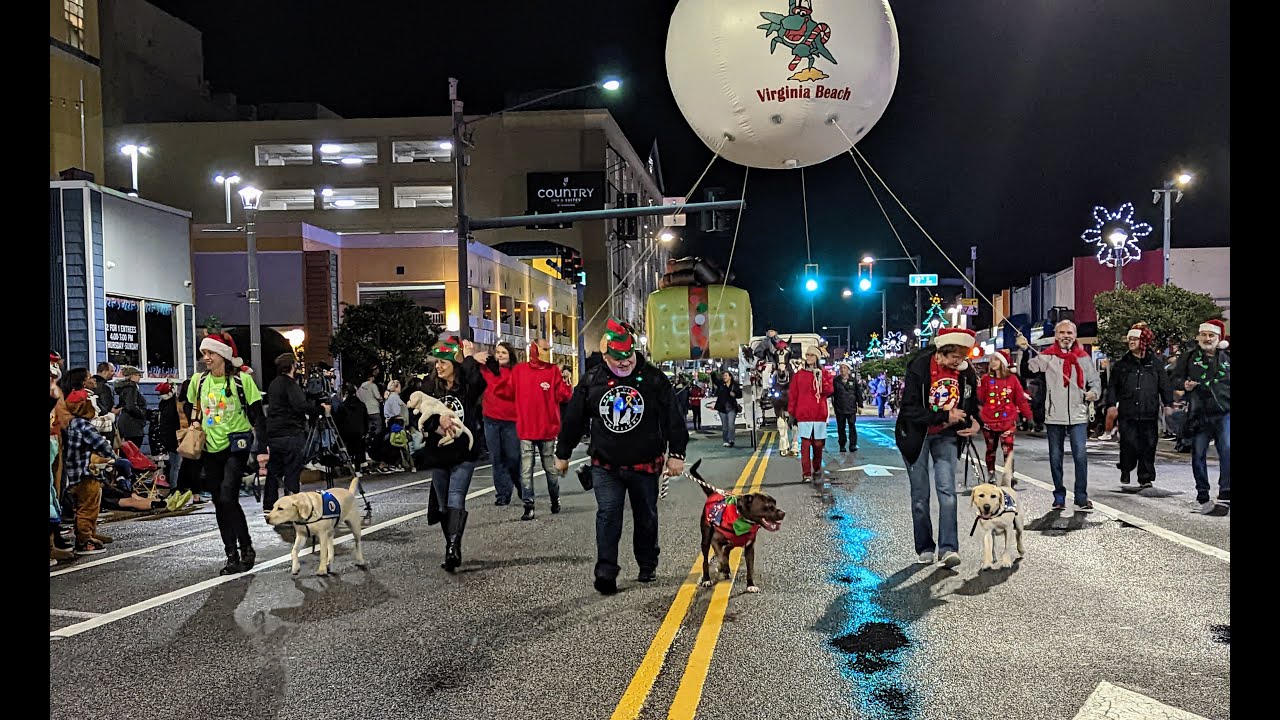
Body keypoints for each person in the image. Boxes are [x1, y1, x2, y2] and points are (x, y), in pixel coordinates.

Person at [555, 318, 688, 595]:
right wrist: (563, 453)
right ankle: (606, 571)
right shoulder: (592, 380)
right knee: (608, 515)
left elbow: (673, 417)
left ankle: (647, 563)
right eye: (618, 358)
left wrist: (676, 454)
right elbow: (574, 419)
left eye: (628, 356)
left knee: (646, 516)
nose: (625, 362)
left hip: (645, 462)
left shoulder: (653, 379)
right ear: (605, 356)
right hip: (606, 464)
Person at [896, 328, 981, 568]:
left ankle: (948, 548)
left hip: (947, 436)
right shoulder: (919, 367)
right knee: (920, 495)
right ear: (942, 353)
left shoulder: (966, 373)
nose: (959, 362)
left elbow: (974, 402)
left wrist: (976, 422)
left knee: (947, 492)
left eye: (962, 357)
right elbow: (909, 409)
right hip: (917, 436)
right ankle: (924, 547)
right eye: (955, 356)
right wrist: (944, 414)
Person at [188, 332, 264, 575]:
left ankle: (246, 547)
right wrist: (195, 424)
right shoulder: (199, 381)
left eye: (210, 353)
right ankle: (231, 553)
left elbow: (257, 416)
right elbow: (188, 405)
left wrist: (262, 449)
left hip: (236, 444)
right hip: (210, 447)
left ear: (223, 355)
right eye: (204, 354)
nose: (206, 358)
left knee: (227, 498)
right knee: (219, 501)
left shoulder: (242, 380)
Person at [413, 337, 488, 572]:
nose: (438, 366)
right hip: (438, 452)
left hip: (463, 451)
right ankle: (451, 543)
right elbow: (419, 417)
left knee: (456, 496)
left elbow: (478, 380)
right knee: (443, 505)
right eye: (437, 363)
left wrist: (467, 356)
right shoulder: (429, 387)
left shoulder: (467, 385)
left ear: (454, 363)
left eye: (443, 362)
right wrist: (439, 422)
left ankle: (453, 548)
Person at [1018, 320, 1101, 511]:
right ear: (1056, 335)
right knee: (1055, 457)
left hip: (1078, 415)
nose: (1066, 336)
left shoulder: (1084, 358)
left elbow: (1095, 381)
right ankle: (1059, 496)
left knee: (1080, 456)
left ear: (1075, 335)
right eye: (1062, 332)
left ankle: (1081, 496)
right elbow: (1025, 371)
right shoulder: (1047, 357)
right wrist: (1022, 350)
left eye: (1069, 333)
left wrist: (1093, 393)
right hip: (1054, 415)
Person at [495, 338, 573, 520]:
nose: (547, 352)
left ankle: (546, 501)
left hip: (543, 428)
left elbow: (564, 395)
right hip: (532, 428)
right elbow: (564, 396)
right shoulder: (524, 371)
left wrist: (565, 381)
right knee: (534, 470)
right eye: (544, 348)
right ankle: (534, 503)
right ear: (535, 349)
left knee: (540, 469)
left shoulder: (550, 370)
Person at [1170, 319, 1230, 514]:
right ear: (1199, 336)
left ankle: (1226, 492)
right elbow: (1175, 379)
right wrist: (1183, 385)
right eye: (1203, 334)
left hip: (1224, 412)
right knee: (1198, 454)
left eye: (1211, 335)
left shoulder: (1227, 358)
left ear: (1218, 338)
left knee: (1227, 450)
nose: (1207, 338)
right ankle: (1202, 494)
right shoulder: (1189, 357)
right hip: (1198, 413)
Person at [1106, 323, 1174, 490]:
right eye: (1130, 339)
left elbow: (1164, 385)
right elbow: (1113, 387)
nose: (1131, 342)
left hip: (1149, 412)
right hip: (1127, 412)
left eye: (1135, 339)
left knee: (1148, 445)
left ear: (1143, 341)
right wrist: (1110, 406)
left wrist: (1168, 404)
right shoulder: (1122, 364)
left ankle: (1146, 478)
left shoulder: (1156, 364)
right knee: (1128, 444)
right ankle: (1126, 467)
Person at [62, 389, 130, 555]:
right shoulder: (82, 424)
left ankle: (90, 533)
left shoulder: (68, 422)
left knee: (82, 506)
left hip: (72, 473)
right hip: (86, 472)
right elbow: (101, 444)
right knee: (88, 507)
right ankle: (84, 541)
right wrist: (113, 457)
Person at [264, 353, 325, 514]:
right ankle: (292, 503)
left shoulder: (273, 384)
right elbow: (300, 406)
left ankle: (269, 503)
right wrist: (320, 409)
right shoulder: (290, 384)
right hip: (290, 432)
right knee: (292, 469)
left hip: (274, 433)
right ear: (292, 366)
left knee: (274, 469)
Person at [978, 350, 1033, 483]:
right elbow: (980, 398)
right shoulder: (986, 379)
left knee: (1008, 449)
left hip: (1007, 420)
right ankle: (991, 474)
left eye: (996, 360)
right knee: (990, 449)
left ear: (1003, 362)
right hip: (989, 420)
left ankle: (1009, 474)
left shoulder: (1012, 379)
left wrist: (1029, 417)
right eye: (991, 360)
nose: (993, 363)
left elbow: (1020, 399)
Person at [479, 342, 521, 506]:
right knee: (497, 458)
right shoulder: (487, 369)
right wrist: (473, 355)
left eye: (504, 352)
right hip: (491, 419)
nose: (500, 355)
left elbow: (510, 392)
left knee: (513, 457)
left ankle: (522, 487)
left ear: (510, 354)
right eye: (498, 352)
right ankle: (503, 494)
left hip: (511, 420)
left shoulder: (516, 372)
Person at [787, 347, 833, 483]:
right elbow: (793, 395)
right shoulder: (799, 375)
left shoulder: (824, 373)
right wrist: (791, 413)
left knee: (818, 444)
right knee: (805, 445)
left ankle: (817, 467)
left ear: (817, 358)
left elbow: (829, 391)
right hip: (804, 415)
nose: (809, 357)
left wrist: (820, 378)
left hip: (819, 414)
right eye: (807, 355)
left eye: (812, 355)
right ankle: (806, 473)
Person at [831, 363, 864, 453]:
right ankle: (842, 445)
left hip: (851, 407)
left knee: (852, 426)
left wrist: (860, 405)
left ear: (848, 369)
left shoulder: (853, 380)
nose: (842, 370)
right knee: (841, 428)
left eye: (844, 368)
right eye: (841, 368)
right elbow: (831, 393)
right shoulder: (836, 380)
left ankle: (853, 444)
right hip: (840, 408)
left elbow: (858, 393)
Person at [114, 366, 148, 449]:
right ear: (132, 376)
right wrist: (143, 414)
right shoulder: (131, 389)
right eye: (138, 374)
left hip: (126, 424)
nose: (140, 376)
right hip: (132, 426)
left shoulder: (124, 389)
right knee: (133, 452)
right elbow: (131, 406)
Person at [711, 370, 743, 448]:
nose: (724, 377)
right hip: (722, 408)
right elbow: (715, 380)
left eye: (726, 375)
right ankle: (725, 440)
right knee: (725, 426)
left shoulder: (734, 385)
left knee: (731, 425)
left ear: (730, 377)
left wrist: (735, 394)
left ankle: (731, 440)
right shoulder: (721, 384)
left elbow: (740, 394)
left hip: (731, 407)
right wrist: (712, 373)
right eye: (723, 376)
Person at [356, 370, 384, 440]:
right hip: (374, 410)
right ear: (371, 377)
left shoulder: (360, 388)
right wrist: (382, 399)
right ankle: (376, 443)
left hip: (365, 411)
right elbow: (378, 397)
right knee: (378, 428)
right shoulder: (372, 385)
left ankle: (368, 442)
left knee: (369, 429)